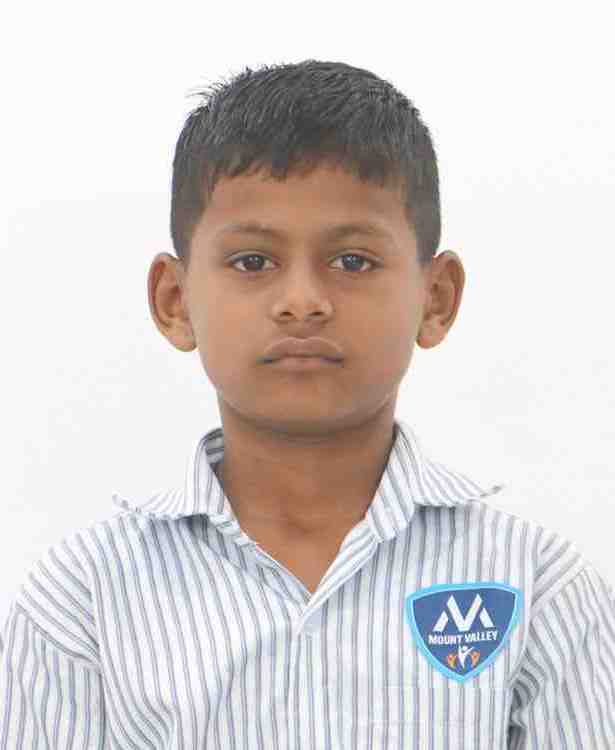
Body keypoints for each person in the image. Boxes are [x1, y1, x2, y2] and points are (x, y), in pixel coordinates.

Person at [1, 59, 613, 749]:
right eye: (252, 262)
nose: (301, 301)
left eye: (352, 261)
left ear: (435, 299)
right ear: (175, 301)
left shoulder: (538, 587)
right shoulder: (83, 598)